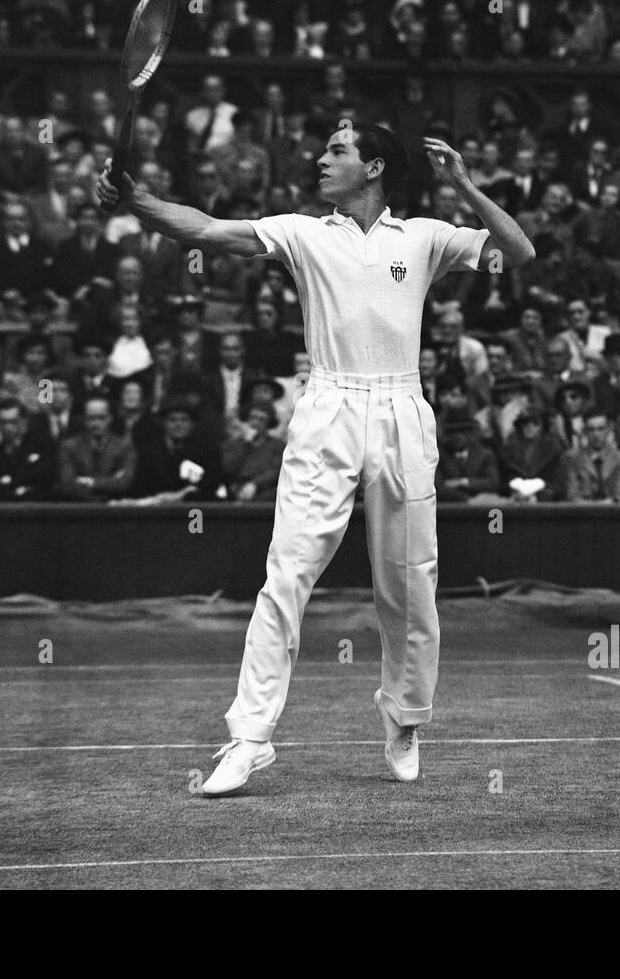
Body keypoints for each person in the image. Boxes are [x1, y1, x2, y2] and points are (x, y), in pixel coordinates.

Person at [96, 121, 533, 794]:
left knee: (411, 582)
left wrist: (465, 185)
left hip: (401, 410)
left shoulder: (423, 236)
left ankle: (405, 718)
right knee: (285, 576)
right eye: (324, 147)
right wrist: (136, 200)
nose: (321, 158)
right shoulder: (304, 231)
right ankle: (249, 738)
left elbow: (520, 251)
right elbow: (207, 230)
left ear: (375, 165)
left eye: (337, 150)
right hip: (326, 407)